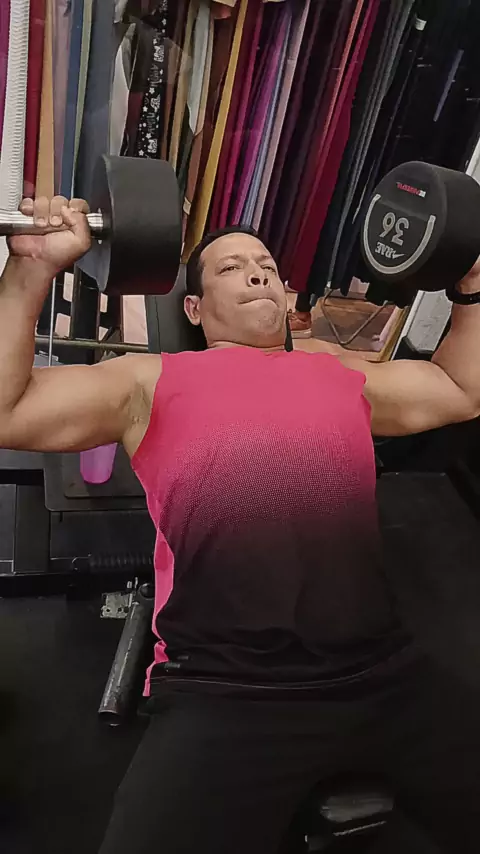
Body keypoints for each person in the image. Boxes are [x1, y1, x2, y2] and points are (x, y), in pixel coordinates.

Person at [1, 195, 480, 854]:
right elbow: (8, 412)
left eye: (266, 266)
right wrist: (29, 272)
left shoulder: (337, 372)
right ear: (195, 310)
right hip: (226, 688)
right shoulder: (147, 379)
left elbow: (460, 389)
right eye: (231, 268)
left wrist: (472, 285)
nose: (257, 273)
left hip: (381, 670)